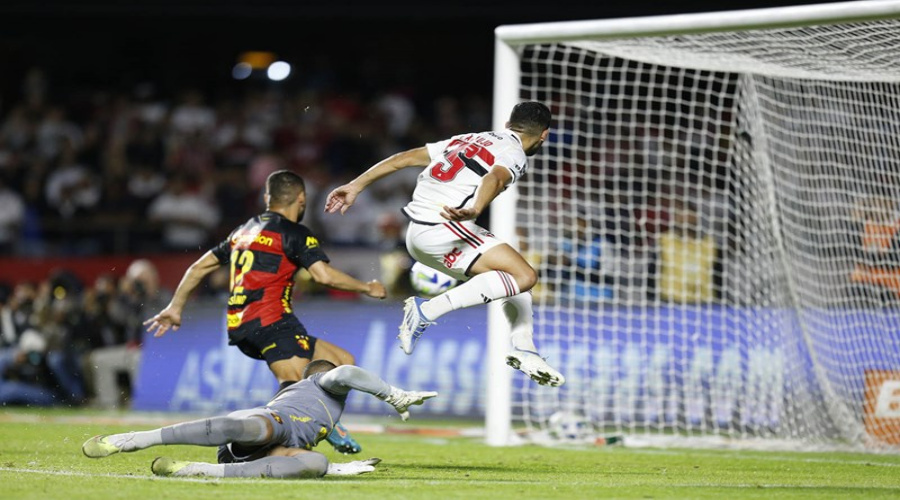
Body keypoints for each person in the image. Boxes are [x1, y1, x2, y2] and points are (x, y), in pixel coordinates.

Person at [144, 170, 387, 453]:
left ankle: (325, 425)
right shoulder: (294, 233)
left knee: (343, 363)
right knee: (295, 388)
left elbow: (198, 267)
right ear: (302, 199)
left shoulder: (243, 231)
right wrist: (367, 287)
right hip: (272, 321)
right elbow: (324, 276)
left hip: (243, 323)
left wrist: (175, 307)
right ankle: (263, 449)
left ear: (266, 198)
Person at [324, 101, 564, 387]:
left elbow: (404, 157)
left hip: (417, 232)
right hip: (445, 228)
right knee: (525, 276)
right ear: (544, 135)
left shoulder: (469, 139)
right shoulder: (513, 153)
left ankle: (525, 348)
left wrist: (356, 185)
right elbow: (495, 177)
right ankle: (427, 310)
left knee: (511, 278)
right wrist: (477, 207)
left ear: (508, 123)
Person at [82, 360, 437, 479]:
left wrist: (339, 467)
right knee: (260, 426)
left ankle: (194, 470)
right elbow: (345, 372)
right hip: (267, 424)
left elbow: (324, 441)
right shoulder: (317, 385)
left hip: (272, 450)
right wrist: (392, 394)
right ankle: (136, 439)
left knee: (315, 463)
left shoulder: (328, 418)